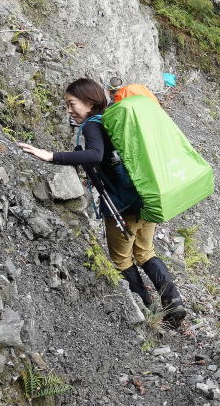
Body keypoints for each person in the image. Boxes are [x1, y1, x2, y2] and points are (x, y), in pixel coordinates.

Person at [17, 77, 187, 327]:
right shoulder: (111, 121)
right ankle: (174, 303)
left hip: (121, 205)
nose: (69, 109)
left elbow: (95, 155)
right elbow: (104, 155)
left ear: (89, 101)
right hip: (144, 198)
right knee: (145, 252)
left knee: (122, 260)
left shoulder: (92, 126)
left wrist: (50, 155)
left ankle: (146, 311)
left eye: (71, 103)